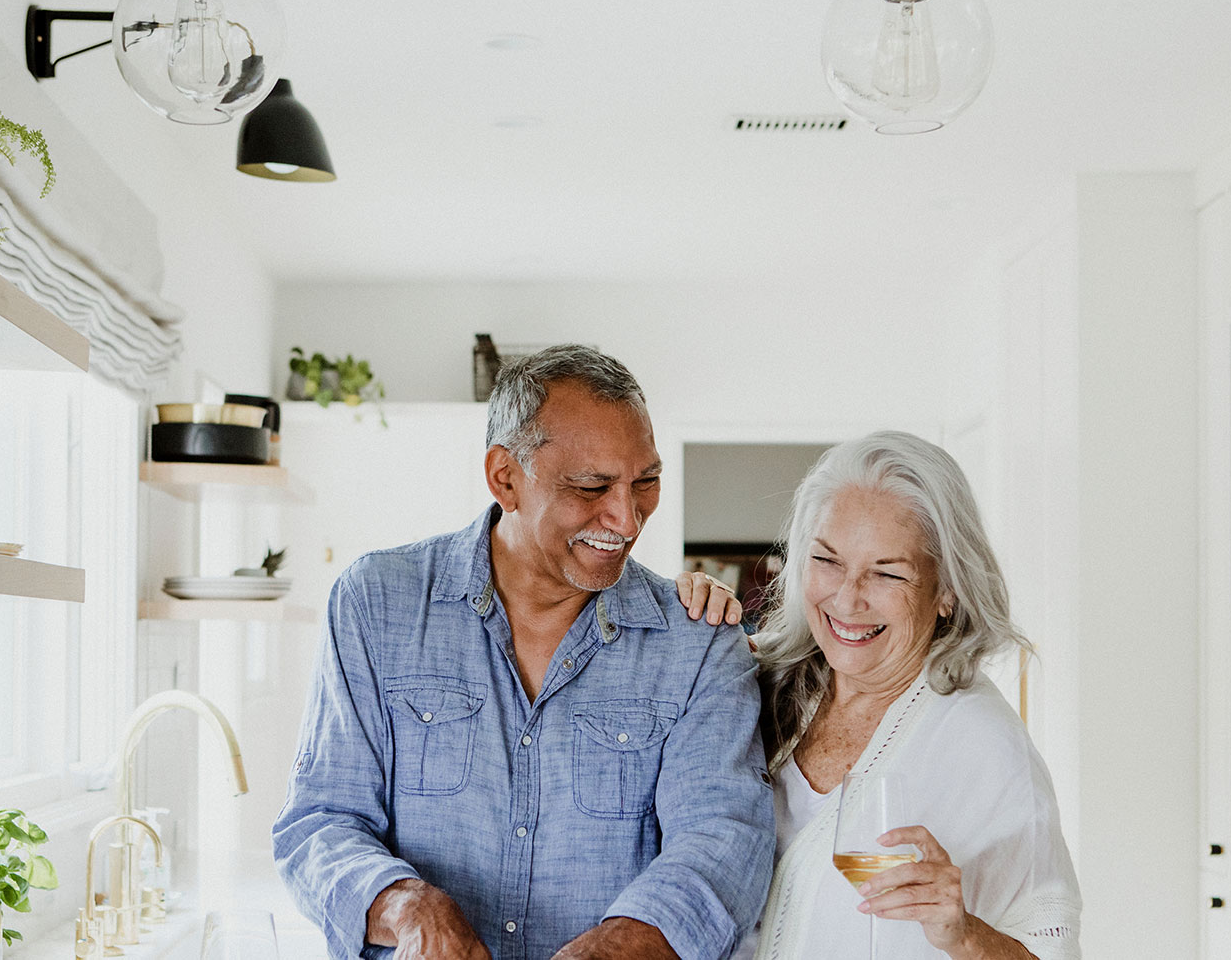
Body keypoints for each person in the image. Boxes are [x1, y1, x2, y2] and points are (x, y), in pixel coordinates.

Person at [273, 345, 776, 960]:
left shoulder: (699, 641)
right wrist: (405, 907)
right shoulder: (377, 604)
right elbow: (320, 820)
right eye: (591, 485)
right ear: (504, 477)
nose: (625, 516)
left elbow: (723, 842)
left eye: (646, 481)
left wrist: (616, 948)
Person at [677, 431, 1080, 959]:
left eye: (887, 572)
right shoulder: (757, 681)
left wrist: (963, 933)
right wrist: (684, 624)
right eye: (827, 561)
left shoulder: (985, 747)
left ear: (947, 591)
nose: (847, 599)